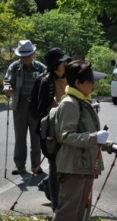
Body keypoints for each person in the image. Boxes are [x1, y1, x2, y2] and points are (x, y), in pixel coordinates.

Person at [41, 60, 117, 221]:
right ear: (78, 82)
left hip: (85, 163)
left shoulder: (82, 100)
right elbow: (66, 136)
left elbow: (88, 133)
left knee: (83, 207)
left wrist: (108, 144)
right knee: (67, 209)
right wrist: (96, 138)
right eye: (89, 81)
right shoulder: (70, 103)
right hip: (72, 165)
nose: (93, 85)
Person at [35, 47, 71, 212]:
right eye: (62, 61)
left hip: (69, 127)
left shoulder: (70, 77)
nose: (65, 63)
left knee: (68, 165)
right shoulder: (45, 82)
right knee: (55, 165)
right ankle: (56, 206)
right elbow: (40, 111)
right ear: (56, 65)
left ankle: (46, 184)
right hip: (52, 130)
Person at [2, 40, 46, 174]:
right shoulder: (14, 67)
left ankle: (36, 166)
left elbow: (49, 82)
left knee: (36, 137)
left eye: (27, 55)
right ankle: (20, 165)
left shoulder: (40, 68)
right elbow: (7, 81)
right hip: (19, 104)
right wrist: (7, 88)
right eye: (22, 55)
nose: (24, 58)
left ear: (33, 53)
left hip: (35, 106)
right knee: (20, 137)